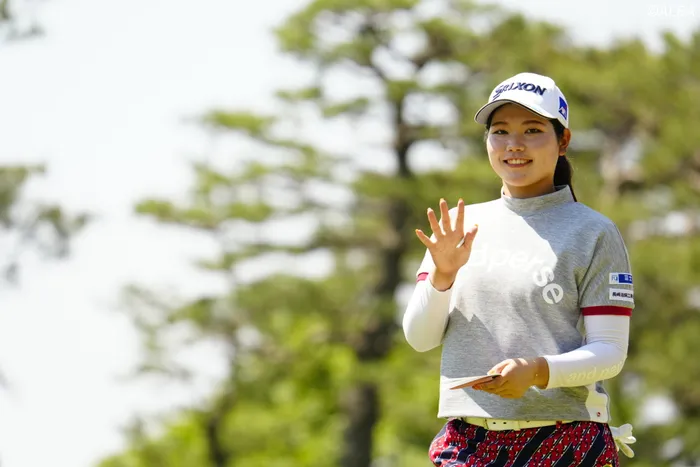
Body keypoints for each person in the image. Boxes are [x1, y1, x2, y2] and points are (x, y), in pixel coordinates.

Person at [402, 72, 637, 467]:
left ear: (563, 141)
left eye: (532, 130)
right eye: (500, 131)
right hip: (468, 443)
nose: (514, 144)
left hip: (565, 440)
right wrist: (442, 277)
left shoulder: (594, 232)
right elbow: (420, 338)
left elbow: (610, 352)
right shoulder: (460, 226)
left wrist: (537, 371)